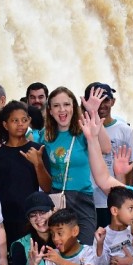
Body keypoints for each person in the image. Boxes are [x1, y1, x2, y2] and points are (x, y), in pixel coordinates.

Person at [40, 86, 111, 245]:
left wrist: (93, 113)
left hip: (82, 197)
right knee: (61, 246)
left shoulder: (83, 130)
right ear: (50, 110)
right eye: (56, 106)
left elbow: (106, 148)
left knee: (85, 246)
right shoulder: (45, 134)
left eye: (66, 104)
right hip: (57, 198)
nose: (62, 110)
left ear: (74, 107)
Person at [0, 101, 51, 244]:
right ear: (5, 125)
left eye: (24, 120)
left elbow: (47, 187)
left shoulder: (37, 149)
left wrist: (38, 163)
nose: (20, 124)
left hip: (31, 215)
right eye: (15, 120)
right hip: (4, 216)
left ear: (29, 121)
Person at [83, 82, 133, 229]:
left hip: (113, 199)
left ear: (113, 102)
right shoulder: (82, 128)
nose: (101, 105)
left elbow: (129, 167)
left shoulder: (125, 130)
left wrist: (128, 199)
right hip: (89, 198)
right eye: (96, 101)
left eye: (105, 100)